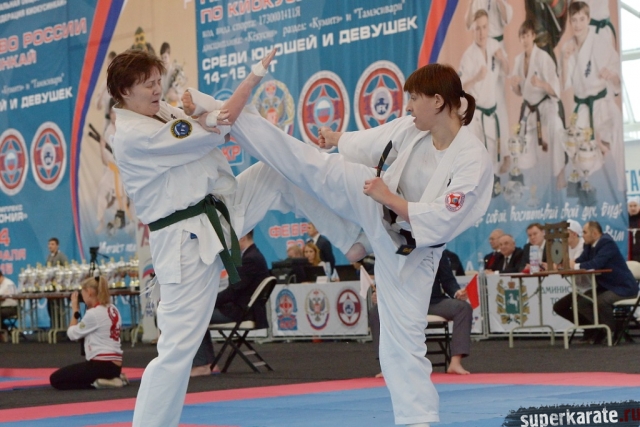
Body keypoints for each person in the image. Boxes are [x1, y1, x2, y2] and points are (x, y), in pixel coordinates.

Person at [204, 63, 494, 426]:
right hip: (374, 204)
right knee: (304, 169)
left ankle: (418, 420)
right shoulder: (411, 129)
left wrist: (390, 198)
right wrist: (336, 138)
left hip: (413, 251)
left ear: (437, 101)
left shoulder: (471, 158)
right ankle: (229, 121)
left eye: (414, 99)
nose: (408, 107)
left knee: (401, 343)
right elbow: (371, 141)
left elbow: (443, 218)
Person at [107, 49, 361, 427]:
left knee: (276, 172)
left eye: (159, 81)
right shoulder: (134, 135)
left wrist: (200, 112)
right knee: (176, 351)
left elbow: (208, 120)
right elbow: (219, 124)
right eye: (148, 85)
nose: (158, 89)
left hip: (217, 213)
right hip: (184, 241)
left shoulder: (160, 112)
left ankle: (353, 242)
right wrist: (253, 76)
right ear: (125, 92)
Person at [561, 1, 624, 199]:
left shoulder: (600, 42)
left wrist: (611, 75)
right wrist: (565, 60)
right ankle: (585, 190)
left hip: (602, 102)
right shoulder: (568, 47)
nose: (578, 24)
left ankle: (621, 186)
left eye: (582, 19)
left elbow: (617, 79)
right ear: (570, 22)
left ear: (588, 19)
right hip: (582, 106)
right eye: (574, 20)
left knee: (616, 125)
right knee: (574, 148)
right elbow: (565, 84)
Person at [370, 255, 473, 376]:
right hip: (405, 304)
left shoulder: (437, 250)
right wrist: (380, 295)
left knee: (463, 308)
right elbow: (388, 280)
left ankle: (455, 363)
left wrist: (457, 292)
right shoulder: (394, 253)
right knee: (376, 312)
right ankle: (388, 366)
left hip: (433, 303)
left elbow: (448, 280)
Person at [191, 230, 270, 377]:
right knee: (200, 315)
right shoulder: (254, 256)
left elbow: (232, 293)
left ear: (243, 237)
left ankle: (203, 365)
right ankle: (209, 364)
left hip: (240, 312)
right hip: (243, 309)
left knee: (195, 318)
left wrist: (208, 303)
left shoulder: (249, 259)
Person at [552, 221, 638, 344]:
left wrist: (574, 265)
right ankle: (601, 329)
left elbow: (596, 264)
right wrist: (565, 264)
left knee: (601, 301)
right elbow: (581, 260)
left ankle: (612, 331)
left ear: (595, 233)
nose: (582, 235)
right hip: (607, 286)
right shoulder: (588, 245)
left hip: (623, 287)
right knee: (582, 303)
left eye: (585, 232)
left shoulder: (607, 243)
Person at [509, 20, 565, 191]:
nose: (524, 40)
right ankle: (531, 182)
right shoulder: (518, 60)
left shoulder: (543, 58)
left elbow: (556, 90)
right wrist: (514, 84)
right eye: (522, 37)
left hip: (545, 105)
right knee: (522, 146)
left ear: (533, 36)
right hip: (529, 109)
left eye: (527, 35)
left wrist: (541, 83)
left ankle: (560, 173)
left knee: (556, 126)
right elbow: (519, 92)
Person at [459, 9, 509, 196]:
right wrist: (476, 78)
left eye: (484, 27)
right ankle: (478, 190)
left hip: (492, 110)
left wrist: (503, 59)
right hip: (475, 114)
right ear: (473, 30)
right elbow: (460, 87)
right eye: (478, 28)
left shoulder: (494, 46)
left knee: (493, 149)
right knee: (478, 154)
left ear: (489, 28)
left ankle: (493, 185)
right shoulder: (468, 56)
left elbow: (507, 71)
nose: (481, 33)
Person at [49, 276, 126, 390]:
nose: (82, 297)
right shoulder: (113, 308)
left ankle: (99, 383)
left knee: (56, 379)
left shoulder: (94, 313)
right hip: (115, 366)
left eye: (83, 293)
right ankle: (114, 377)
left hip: (101, 364)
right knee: (77, 374)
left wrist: (75, 311)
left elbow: (72, 334)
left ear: (89, 292)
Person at [628, 196, 640, 262]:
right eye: (630, 206)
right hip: (629, 254)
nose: (633, 208)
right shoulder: (625, 221)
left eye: (635, 205)